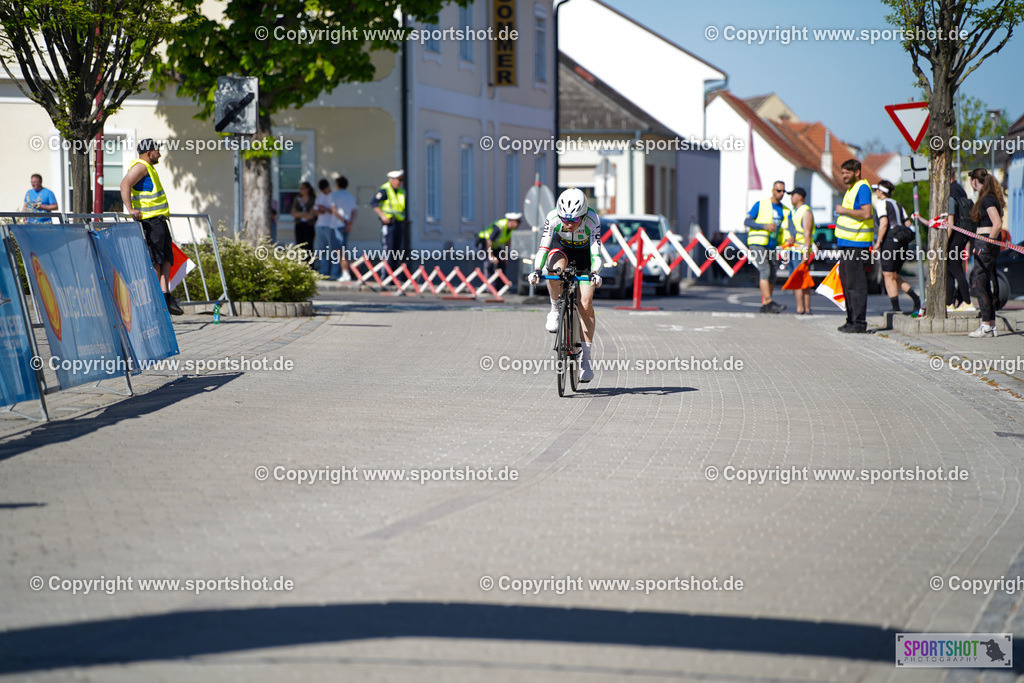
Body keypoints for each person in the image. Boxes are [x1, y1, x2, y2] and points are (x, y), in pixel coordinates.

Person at [527, 188, 603, 382]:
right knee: (553, 271)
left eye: (574, 220)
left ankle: (586, 360)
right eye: (565, 219)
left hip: (585, 255)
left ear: (583, 215)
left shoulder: (592, 219)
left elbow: (596, 252)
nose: (568, 224)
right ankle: (554, 309)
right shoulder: (553, 217)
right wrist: (537, 270)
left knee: (585, 304)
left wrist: (594, 273)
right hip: (561, 250)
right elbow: (543, 246)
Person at [119, 139, 183, 316]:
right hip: (150, 221)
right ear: (148, 152)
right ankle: (155, 298)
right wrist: (130, 209)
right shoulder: (140, 167)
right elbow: (124, 184)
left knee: (166, 258)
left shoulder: (149, 168)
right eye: (157, 150)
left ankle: (165, 296)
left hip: (159, 221)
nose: (160, 154)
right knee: (155, 260)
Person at [834, 159, 874, 333]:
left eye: (846, 173)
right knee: (847, 282)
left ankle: (859, 322)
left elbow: (866, 213)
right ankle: (851, 319)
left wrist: (843, 210)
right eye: (842, 172)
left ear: (857, 172)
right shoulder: (851, 190)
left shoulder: (862, 188)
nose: (843, 176)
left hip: (857, 244)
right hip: (847, 244)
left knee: (856, 284)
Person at [872, 180, 921, 315]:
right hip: (902, 244)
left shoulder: (881, 204)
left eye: (877, 190)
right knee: (894, 276)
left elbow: (884, 223)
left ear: (881, 192)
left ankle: (895, 307)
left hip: (890, 243)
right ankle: (916, 300)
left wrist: (878, 243)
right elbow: (908, 223)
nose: (876, 192)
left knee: (888, 275)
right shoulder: (897, 204)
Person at [966, 168, 1006, 338]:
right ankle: (991, 325)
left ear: (975, 181)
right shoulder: (989, 198)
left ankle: (985, 325)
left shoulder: (987, 199)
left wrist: (986, 244)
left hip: (986, 242)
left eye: (971, 180)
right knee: (984, 284)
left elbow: (996, 223)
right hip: (984, 242)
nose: (971, 184)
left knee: (977, 284)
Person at [744, 180, 789, 313]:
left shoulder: (784, 210)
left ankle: (765, 305)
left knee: (773, 275)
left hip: (772, 245)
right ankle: (769, 301)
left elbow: (786, 228)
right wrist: (764, 226)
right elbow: (747, 221)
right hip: (758, 243)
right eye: (778, 191)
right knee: (765, 270)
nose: (781, 194)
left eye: (783, 191)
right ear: (773, 190)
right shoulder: (761, 204)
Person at [786, 187, 814, 314]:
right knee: (797, 280)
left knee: (802, 280)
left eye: (793, 195)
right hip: (794, 250)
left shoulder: (806, 212)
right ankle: (802, 308)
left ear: (800, 197)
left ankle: (803, 308)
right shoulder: (794, 212)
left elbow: (807, 234)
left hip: (801, 251)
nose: (791, 197)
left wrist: (806, 253)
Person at [946, 178, 973, 311]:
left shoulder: (950, 193)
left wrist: (944, 241)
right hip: (963, 234)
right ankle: (949, 302)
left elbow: (950, 222)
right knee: (950, 269)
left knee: (955, 268)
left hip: (955, 235)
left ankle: (967, 301)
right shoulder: (960, 190)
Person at [372, 170, 406, 270]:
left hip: (398, 223)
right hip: (389, 224)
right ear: (392, 180)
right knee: (388, 250)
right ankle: (386, 275)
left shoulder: (401, 191)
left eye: (401, 180)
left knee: (397, 251)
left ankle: (394, 276)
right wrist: (382, 216)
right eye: (398, 180)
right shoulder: (385, 190)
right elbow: (374, 203)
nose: (400, 182)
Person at [329, 176, 358, 281]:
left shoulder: (333, 195)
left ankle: (345, 273)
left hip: (337, 225)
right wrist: (350, 223)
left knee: (339, 252)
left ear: (337, 184)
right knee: (343, 250)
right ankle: (345, 272)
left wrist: (344, 221)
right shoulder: (350, 196)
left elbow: (334, 210)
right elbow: (355, 212)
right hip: (346, 226)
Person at [476, 212, 522, 278]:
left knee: (501, 262)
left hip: (495, 247)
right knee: (489, 263)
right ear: (511, 221)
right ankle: (490, 285)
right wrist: (491, 256)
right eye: (517, 222)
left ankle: (500, 286)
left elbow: (508, 242)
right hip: (485, 244)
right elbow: (489, 240)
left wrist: (504, 255)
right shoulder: (499, 226)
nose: (518, 224)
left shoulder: (511, 229)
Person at [313, 178, 336, 276]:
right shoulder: (319, 196)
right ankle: (324, 271)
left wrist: (325, 209)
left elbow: (334, 212)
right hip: (320, 224)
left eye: (324, 189)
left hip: (330, 225)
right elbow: (315, 210)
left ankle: (334, 272)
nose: (323, 192)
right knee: (322, 250)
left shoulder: (333, 196)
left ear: (328, 187)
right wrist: (319, 211)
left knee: (333, 250)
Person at [290, 181, 317, 255]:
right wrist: (304, 213)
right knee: (299, 245)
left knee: (309, 245)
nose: (300, 190)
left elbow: (311, 215)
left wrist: (299, 214)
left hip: (309, 225)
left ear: (308, 189)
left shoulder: (313, 199)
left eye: (302, 188)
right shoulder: (297, 199)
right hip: (299, 224)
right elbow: (293, 213)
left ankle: (309, 264)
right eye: (300, 188)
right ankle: (300, 264)